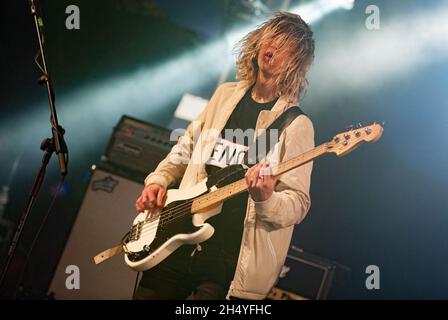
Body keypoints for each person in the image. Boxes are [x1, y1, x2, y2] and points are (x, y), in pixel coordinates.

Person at [134, 11, 315, 300]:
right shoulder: (224, 95)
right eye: (270, 39)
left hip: (225, 261)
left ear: (295, 63)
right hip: (175, 239)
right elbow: (185, 149)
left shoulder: (295, 124)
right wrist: (158, 180)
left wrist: (266, 198)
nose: (272, 49)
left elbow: (298, 203)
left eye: (283, 46)